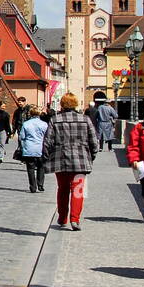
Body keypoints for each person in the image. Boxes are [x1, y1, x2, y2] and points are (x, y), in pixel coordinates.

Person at [42, 92, 100, 230]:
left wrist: (46, 157)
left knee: (62, 189)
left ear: (62, 104)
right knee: (77, 190)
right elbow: (94, 141)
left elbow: (47, 141)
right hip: (80, 160)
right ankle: (75, 219)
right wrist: (91, 156)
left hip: (60, 160)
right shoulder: (85, 119)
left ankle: (62, 218)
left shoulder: (55, 120)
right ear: (75, 104)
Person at [17, 105, 49, 192]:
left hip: (29, 149)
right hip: (41, 148)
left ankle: (33, 187)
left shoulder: (26, 124)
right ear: (39, 114)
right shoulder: (44, 124)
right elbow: (47, 136)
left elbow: (21, 137)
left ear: (30, 114)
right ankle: (40, 184)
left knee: (30, 168)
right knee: (41, 167)